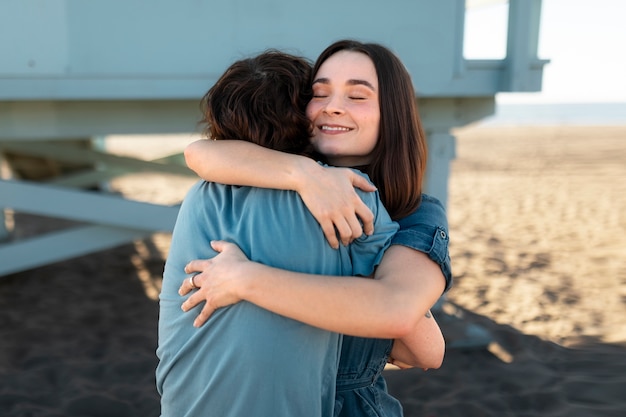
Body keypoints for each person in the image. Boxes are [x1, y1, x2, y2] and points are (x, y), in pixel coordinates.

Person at [180, 40, 452, 417]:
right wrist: (303, 173)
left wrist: (246, 280)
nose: (333, 105)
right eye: (319, 93)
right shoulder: (281, 178)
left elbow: (401, 315)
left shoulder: (415, 213)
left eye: (357, 95)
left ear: (394, 114)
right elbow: (199, 153)